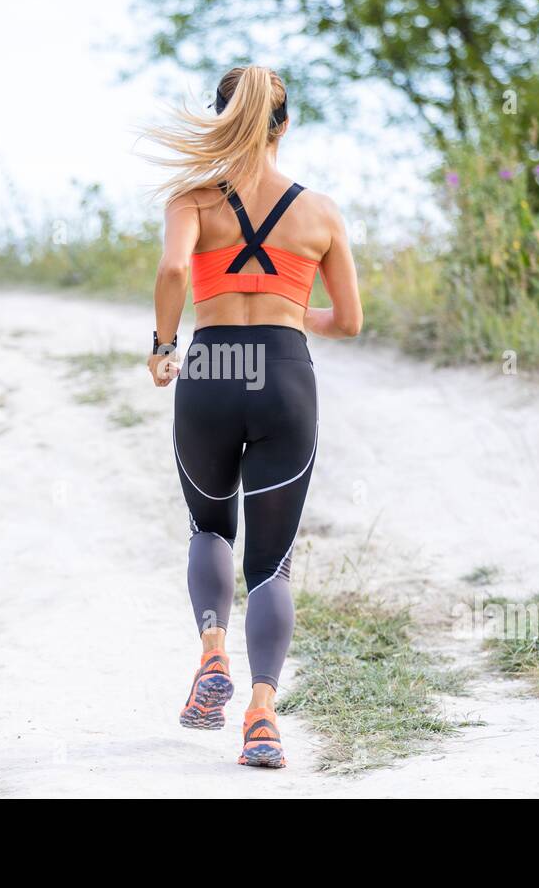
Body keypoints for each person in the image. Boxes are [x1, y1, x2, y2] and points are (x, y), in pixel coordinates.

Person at [145, 64, 363, 768]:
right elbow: (351, 322)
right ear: (285, 125)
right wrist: (288, 311)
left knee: (209, 526)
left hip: (209, 369)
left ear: (219, 118)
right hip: (284, 374)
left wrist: (162, 347)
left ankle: (213, 654)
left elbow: (175, 272)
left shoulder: (191, 199)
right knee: (271, 566)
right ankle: (262, 716)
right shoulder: (321, 212)